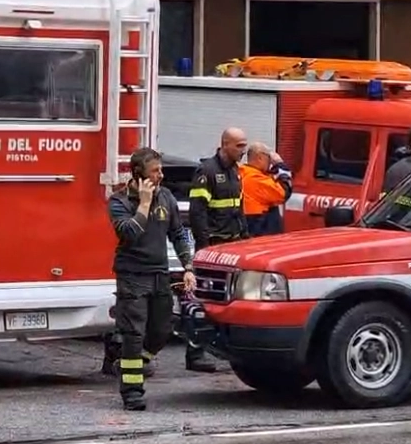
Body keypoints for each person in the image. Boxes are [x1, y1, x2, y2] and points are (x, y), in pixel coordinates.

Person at [107, 147, 196, 411]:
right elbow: (129, 233)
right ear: (138, 174)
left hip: (159, 274)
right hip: (132, 276)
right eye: (155, 171)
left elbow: (178, 233)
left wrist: (187, 266)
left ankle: (128, 363)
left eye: (160, 170)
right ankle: (132, 392)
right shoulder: (119, 201)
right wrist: (144, 204)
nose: (161, 175)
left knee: (162, 330)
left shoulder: (166, 197)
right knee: (134, 335)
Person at [184, 127, 250, 372]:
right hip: (213, 245)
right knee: (203, 299)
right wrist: (203, 246)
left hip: (232, 245)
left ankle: (225, 347)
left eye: (244, 145)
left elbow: (238, 207)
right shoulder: (207, 171)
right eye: (239, 146)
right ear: (225, 144)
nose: (243, 150)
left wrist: (245, 238)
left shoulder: (235, 171)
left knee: (229, 299)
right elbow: (197, 212)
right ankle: (195, 353)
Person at [239, 142, 292, 237]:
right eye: (268, 157)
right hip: (261, 232)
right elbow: (284, 193)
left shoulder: (244, 173)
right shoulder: (256, 179)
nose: (270, 162)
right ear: (259, 158)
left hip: (252, 228)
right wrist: (281, 165)